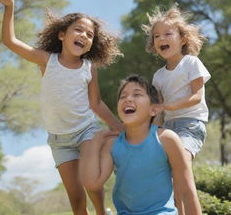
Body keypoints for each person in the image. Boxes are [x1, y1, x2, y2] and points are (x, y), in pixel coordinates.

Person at [0, 0, 123, 215]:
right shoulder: (46, 60)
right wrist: (10, 7)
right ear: (62, 35)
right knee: (75, 199)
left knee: (91, 181)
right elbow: (10, 41)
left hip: (86, 131)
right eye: (78, 30)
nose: (84, 35)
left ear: (92, 44)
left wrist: (121, 129)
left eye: (90, 35)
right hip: (59, 140)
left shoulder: (88, 68)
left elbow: (96, 104)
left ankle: (102, 212)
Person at [81, 74, 202, 215]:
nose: (128, 99)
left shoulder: (166, 139)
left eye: (137, 94)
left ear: (154, 109)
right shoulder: (112, 145)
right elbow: (92, 183)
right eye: (122, 96)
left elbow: (187, 190)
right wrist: (96, 143)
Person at [141, 5, 210, 214]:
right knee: (171, 178)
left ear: (182, 39)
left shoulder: (191, 62)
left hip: (190, 125)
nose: (162, 38)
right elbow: (160, 113)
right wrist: (150, 134)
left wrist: (169, 106)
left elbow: (197, 97)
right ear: (154, 44)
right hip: (169, 129)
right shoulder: (158, 76)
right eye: (156, 36)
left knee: (182, 171)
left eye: (168, 34)